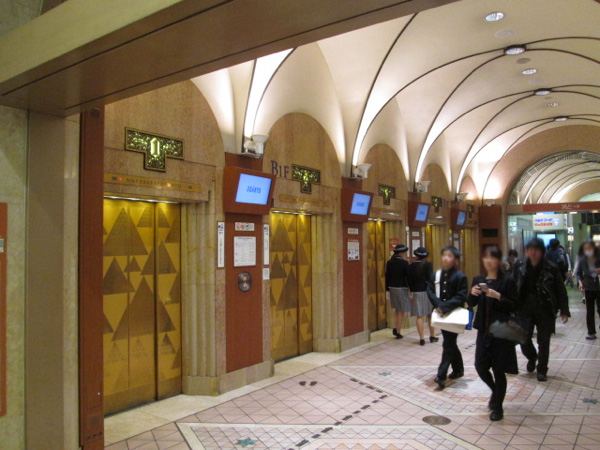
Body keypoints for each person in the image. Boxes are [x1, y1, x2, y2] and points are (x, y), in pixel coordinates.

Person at [468, 246, 519, 422]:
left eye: (492, 258)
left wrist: (498, 296)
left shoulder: (507, 281)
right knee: (480, 366)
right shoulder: (479, 279)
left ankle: (498, 407)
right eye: (486, 258)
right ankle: (496, 392)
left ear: (498, 261)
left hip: (501, 331)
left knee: (499, 369)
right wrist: (472, 294)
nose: (488, 261)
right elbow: (471, 303)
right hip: (483, 329)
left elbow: (514, 305)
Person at [514, 238, 570, 381]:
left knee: (544, 340)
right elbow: (513, 286)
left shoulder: (551, 268)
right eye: (530, 249)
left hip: (545, 308)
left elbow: (560, 290)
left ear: (542, 252)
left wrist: (564, 310)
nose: (533, 252)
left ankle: (542, 370)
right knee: (523, 337)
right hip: (524, 308)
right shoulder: (519, 266)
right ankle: (532, 357)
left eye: (536, 250)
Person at [427, 246, 468, 389]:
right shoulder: (436, 275)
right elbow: (430, 291)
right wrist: (438, 305)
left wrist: (445, 306)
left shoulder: (460, 277)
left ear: (455, 260)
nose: (445, 258)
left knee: (448, 343)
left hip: (453, 315)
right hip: (441, 315)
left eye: (449, 256)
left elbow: (461, 296)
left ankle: (441, 375)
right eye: (444, 255)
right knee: (450, 343)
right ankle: (458, 369)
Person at [407, 247, 438, 346]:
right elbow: (431, 279)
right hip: (427, 292)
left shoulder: (411, 266)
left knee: (419, 316)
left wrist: (412, 290)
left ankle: (421, 338)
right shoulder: (428, 265)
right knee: (430, 315)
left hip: (417, 292)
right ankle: (432, 336)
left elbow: (409, 280)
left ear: (416, 255)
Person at [385, 244, 411, 339]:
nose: (405, 254)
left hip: (392, 288)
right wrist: (411, 288)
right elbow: (408, 277)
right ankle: (398, 330)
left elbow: (387, 276)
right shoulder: (404, 263)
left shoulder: (389, 262)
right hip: (402, 288)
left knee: (396, 309)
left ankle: (395, 326)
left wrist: (387, 289)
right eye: (405, 252)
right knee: (401, 311)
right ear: (402, 253)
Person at [576, 240, 600, 340]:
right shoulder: (582, 259)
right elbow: (578, 273)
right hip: (589, 287)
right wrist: (581, 282)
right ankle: (591, 332)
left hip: (599, 286)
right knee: (590, 311)